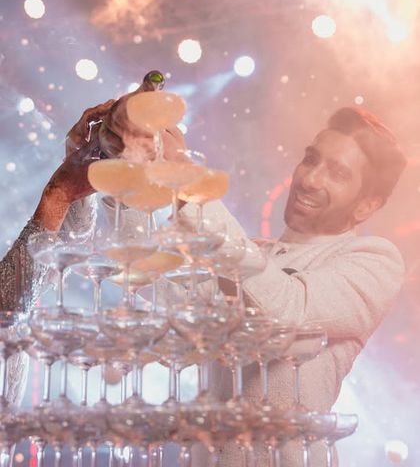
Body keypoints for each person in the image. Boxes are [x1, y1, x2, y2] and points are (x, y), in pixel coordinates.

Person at [0, 98, 406, 467]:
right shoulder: (253, 254)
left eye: (337, 173)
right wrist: (111, 170)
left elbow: (288, 310)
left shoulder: (374, 260)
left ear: (367, 204)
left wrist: (184, 175)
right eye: (310, 159)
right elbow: (157, 284)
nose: (311, 179)